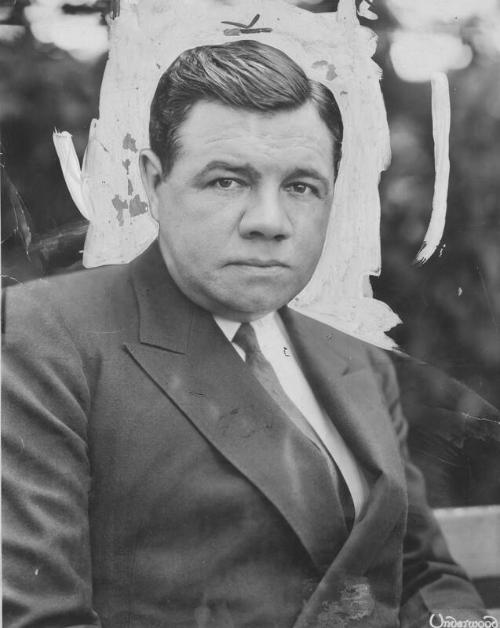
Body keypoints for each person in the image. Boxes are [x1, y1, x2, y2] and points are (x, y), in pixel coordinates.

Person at [2, 40, 486, 628]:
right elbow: (42, 616)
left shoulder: (358, 363)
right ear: (154, 183)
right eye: (228, 181)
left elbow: (424, 572)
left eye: (301, 187)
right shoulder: (45, 334)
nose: (269, 222)